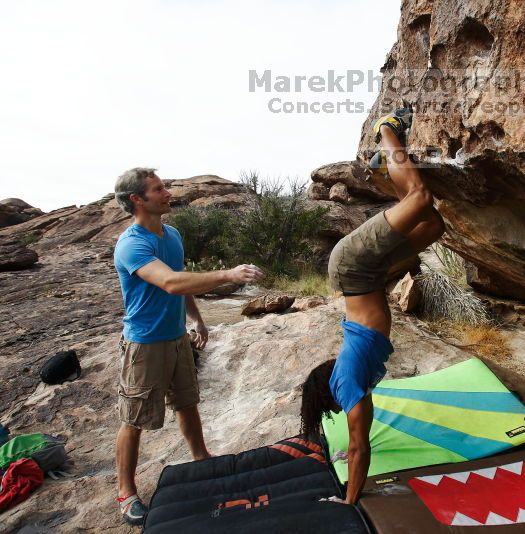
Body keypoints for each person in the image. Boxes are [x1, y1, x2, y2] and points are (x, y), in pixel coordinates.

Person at [299, 109, 445, 505]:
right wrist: (347, 450)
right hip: (368, 276)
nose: (344, 417)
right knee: (433, 226)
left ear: (330, 398)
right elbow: (356, 444)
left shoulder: (347, 385)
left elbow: (362, 447)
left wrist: (348, 502)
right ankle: (384, 169)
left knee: (420, 197)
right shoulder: (354, 379)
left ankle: (387, 128)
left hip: (353, 266)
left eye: (334, 413)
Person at [112, 168, 264, 525]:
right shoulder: (132, 243)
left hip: (176, 337)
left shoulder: (173, 234)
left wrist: (196, 318)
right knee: (133, 419)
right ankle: (125, 491)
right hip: (145, 344)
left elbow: (182, 283)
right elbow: (169, 281)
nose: (168, 191)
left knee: (187, 401)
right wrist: (227, 274)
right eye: (159, 188)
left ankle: (201, 458)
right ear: (137, 199)